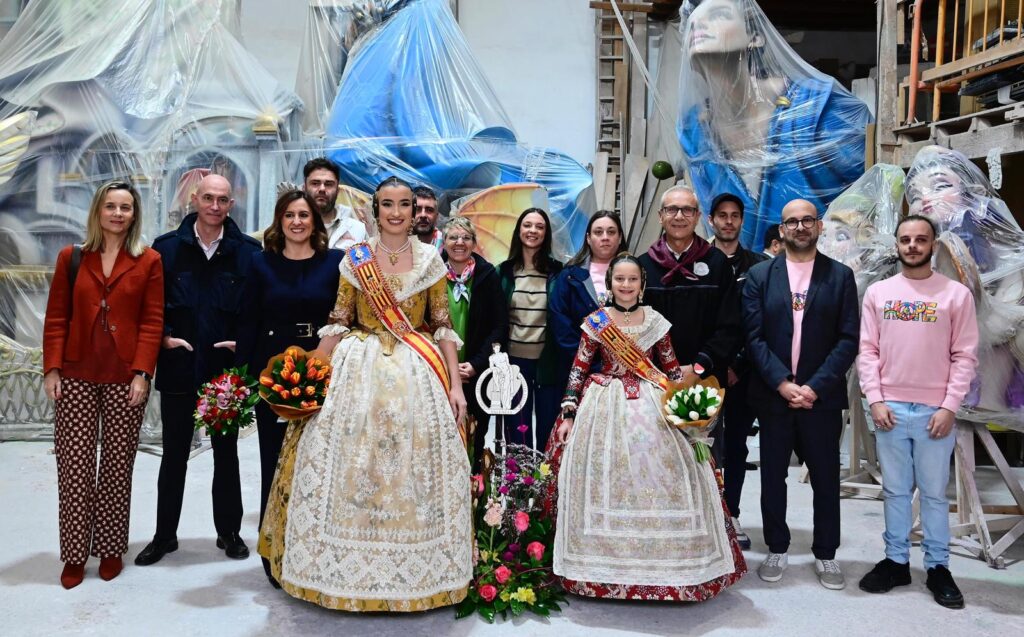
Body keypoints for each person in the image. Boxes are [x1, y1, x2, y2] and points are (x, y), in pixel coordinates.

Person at [258, 176, 472, 611]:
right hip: (358, 369)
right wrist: (307, 374)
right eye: (388, 204)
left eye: (405, 205)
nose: (396, 212)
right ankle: (340, 567)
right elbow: (338, 321)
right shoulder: (354, 260)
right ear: (376, 210)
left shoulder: (432, 259)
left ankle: (420, 568)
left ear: (416, 212)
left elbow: (442, 325)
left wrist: (454, 386)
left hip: (417, 368)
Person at [550, 253, 746, 601]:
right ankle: (600, 564)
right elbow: (578, 369)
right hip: (605, 404)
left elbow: (670, 371)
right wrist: (568, 412)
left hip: (652, 404)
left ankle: (674, 565)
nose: (626, 286)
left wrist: (687, 411)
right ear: (609, 284)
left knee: (668, 470)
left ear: (642, 285)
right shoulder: (596, 322)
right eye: (619, 279)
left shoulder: (656, 321)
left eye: (633, 280)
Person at [42, 180, 164, 589]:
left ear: (134, 214)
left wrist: (142, 373)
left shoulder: (149, 261)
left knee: (116, 467)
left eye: (125, 207)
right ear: (98, 211)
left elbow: (151, 322)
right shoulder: (71, 258)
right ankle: (75, 554)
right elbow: (57, 316)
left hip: (124, 377)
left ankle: (111, 548)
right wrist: (52, 368)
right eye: (110, 206)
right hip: (75, 373)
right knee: (74, 468)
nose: (117, 213)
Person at [135, 174, 262, 566]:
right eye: (208, 197)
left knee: (226, 456)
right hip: (179, 367)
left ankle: (229, 533)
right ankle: (164, 536)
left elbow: (256, 309)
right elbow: (150, 307)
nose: (215, 206)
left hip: (224, 373)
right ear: (195, 198)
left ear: (231, 205)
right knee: (174, 455)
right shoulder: (166, 250)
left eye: (222, 199)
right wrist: (164, 338)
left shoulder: (248, 253)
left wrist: (245, 341)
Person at [678, 0, 871, 249]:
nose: (699, 25)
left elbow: (869, 193)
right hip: (746, 280)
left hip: (824, 270)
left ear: (755, 37)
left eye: (718, 15)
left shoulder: (818, 107)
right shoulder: (694, 131)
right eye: (692, 22)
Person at [857, 215, 978, 609]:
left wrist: (949, 406)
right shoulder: (879, 293)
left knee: (933, 495)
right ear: (897, 245)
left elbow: (964, 356)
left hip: (934, 412)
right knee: (893, 490)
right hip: (889, 407)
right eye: (906, 239)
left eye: (920, 239)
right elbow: (868, 351)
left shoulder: (956, 295)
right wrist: (874, 398)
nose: (912, 245)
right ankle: (895, 562)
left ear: (933, 245)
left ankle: (938, 568)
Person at [741, 198, 859, 589]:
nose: (800, 227)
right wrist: (782, 382)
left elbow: (847, 339)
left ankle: (826, 553)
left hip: (820, 399)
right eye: (792, 221)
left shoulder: (840, 277)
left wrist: (813, 386)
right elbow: (754, 337)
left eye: (808, 220)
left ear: (819, 226)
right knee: (773, 476)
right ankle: (777, 546)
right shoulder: (760, 276)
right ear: (782, 230)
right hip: (774, 396)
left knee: (825, 479)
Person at [234, 190, 343, 587]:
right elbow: (247, 319)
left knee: (317, 463)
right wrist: (242, 376)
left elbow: (344, 316)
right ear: (279, 222)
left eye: (304, 215)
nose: (297, 222)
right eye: (289, 215)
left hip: (323, 368)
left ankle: (314, 547)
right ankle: (273, 549)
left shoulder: (336, 263)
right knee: (274, 461)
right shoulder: (260, 263)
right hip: (274, 373)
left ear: (316, 221)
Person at [638, 185, 741, 402]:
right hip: (655, 382)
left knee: (704, 437)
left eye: (687, 210)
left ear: (697, 217)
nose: (679, 216)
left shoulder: (717, 263)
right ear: (660, 216)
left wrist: (698, 366)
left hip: (706, 380)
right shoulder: (643, 267)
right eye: (671, 209)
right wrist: (658, 371)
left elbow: (731, 325)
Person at [708, 192, 768, 550]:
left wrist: (738, 363)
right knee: (701, 445)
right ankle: (704, 512)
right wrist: (716, 363)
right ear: (711, 220)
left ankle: (731, 515)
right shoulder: (701, 261)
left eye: (735, 216)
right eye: (722, 216)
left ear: (742, 221)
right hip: (706, 371)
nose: (728, 222)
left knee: (737, 447)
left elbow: (760, 322)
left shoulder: (759, 267)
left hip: (743, 374)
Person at [440, 216, 508, 472]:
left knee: (474, 440)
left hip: (477, 374)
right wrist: (446, 367)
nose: (459, 243)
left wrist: (477, 364)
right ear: (443, 242)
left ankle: (473, 499)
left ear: (474, 243)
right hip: (440, 373)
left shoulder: (488, 275)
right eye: (453, 237)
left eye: (466, 238)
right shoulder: (432, 274)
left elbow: (499, 326)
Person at [498, 208, 564, 449]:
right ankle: (519, 485)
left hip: (548, 362)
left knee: (548, 428)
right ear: (519, 231)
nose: (533, 231)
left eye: (539, 226)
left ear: (546, 234)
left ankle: (547, 484)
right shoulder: (504, 272)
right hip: (514, 363)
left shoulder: (558, 272)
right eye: (527, 225)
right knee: (517, 430)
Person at [549, 210, 626, 389]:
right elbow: (561, 325)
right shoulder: (570, 276)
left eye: (611, 232)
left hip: (626, 371)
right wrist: (592, 364)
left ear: (620, 237)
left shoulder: (637, 274)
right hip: (578, 371)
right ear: (588, 238)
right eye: (598, 232)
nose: (605, 237)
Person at [303, 157, 367, 250]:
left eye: (328, 184)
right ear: (304, 188)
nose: (322, 189)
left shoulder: (357, 229)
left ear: (338, 190)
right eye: (315, 183)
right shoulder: (295, 227)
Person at [413, 185, 443, 250]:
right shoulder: (396, 246)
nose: (423, 215)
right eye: (417, 209)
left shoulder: (447, 247)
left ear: (437, 216)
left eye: (429, 210)